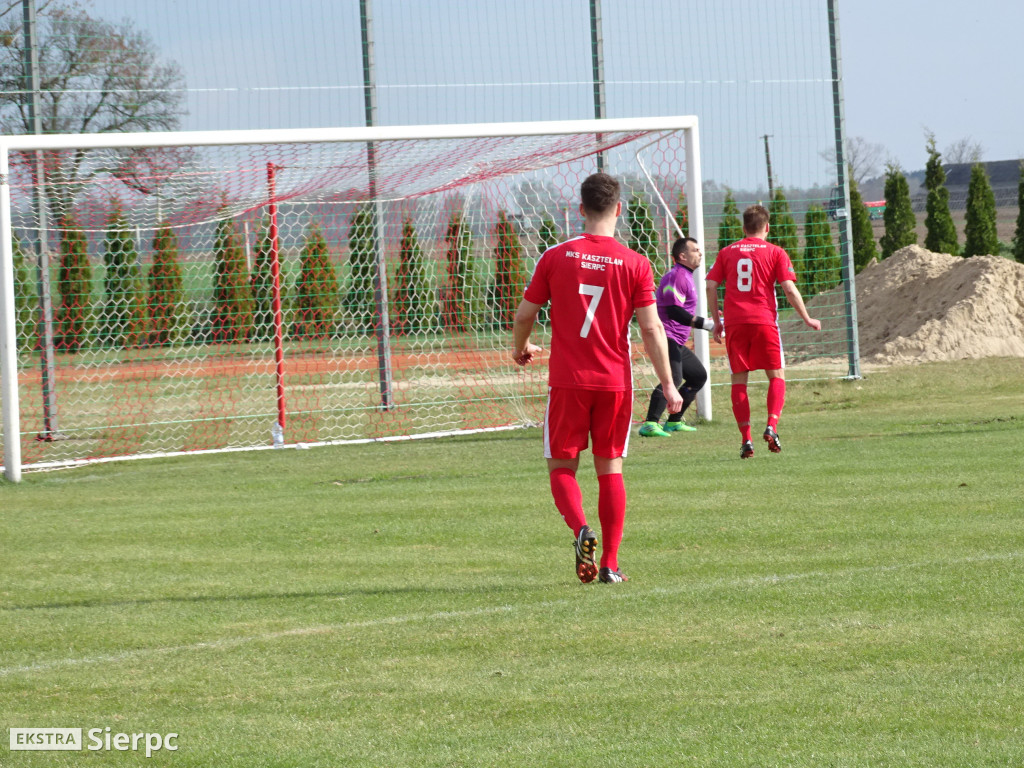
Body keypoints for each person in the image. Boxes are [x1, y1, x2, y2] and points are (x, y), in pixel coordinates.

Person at [511, 172, 682, 584]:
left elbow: (524, 314)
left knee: (561, 469)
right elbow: (652, 329)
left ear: (581, 209)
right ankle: (609, 563)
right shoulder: (636, 263)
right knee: (611, 471)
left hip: (568, 380)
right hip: (614, 383)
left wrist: (521, 347)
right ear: (619, 210)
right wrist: (670, 384)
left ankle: (580, 529)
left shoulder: (555, 256)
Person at [705, 204, 821, 459]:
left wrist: (717, 321)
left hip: (735, 323)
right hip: (764, 321)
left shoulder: (727, 252)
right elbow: (789, 289)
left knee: (739, 379)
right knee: (776, 375)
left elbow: (711, 286)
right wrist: (807, 317)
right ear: (767, 228)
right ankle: (772, 425)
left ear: (744, 228)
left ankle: (746, 440)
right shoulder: (776, 252)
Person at [638, 236, 714, 437]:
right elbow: (673, 311)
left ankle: (673, 422)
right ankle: (650, 423)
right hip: (667, 336)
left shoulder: (685, 276)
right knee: (673, 378)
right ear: (682, 256)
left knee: (698, 376)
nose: (700, 253)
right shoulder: (677, 276)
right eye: (695, 250)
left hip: (677, 340)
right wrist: (706, 324)